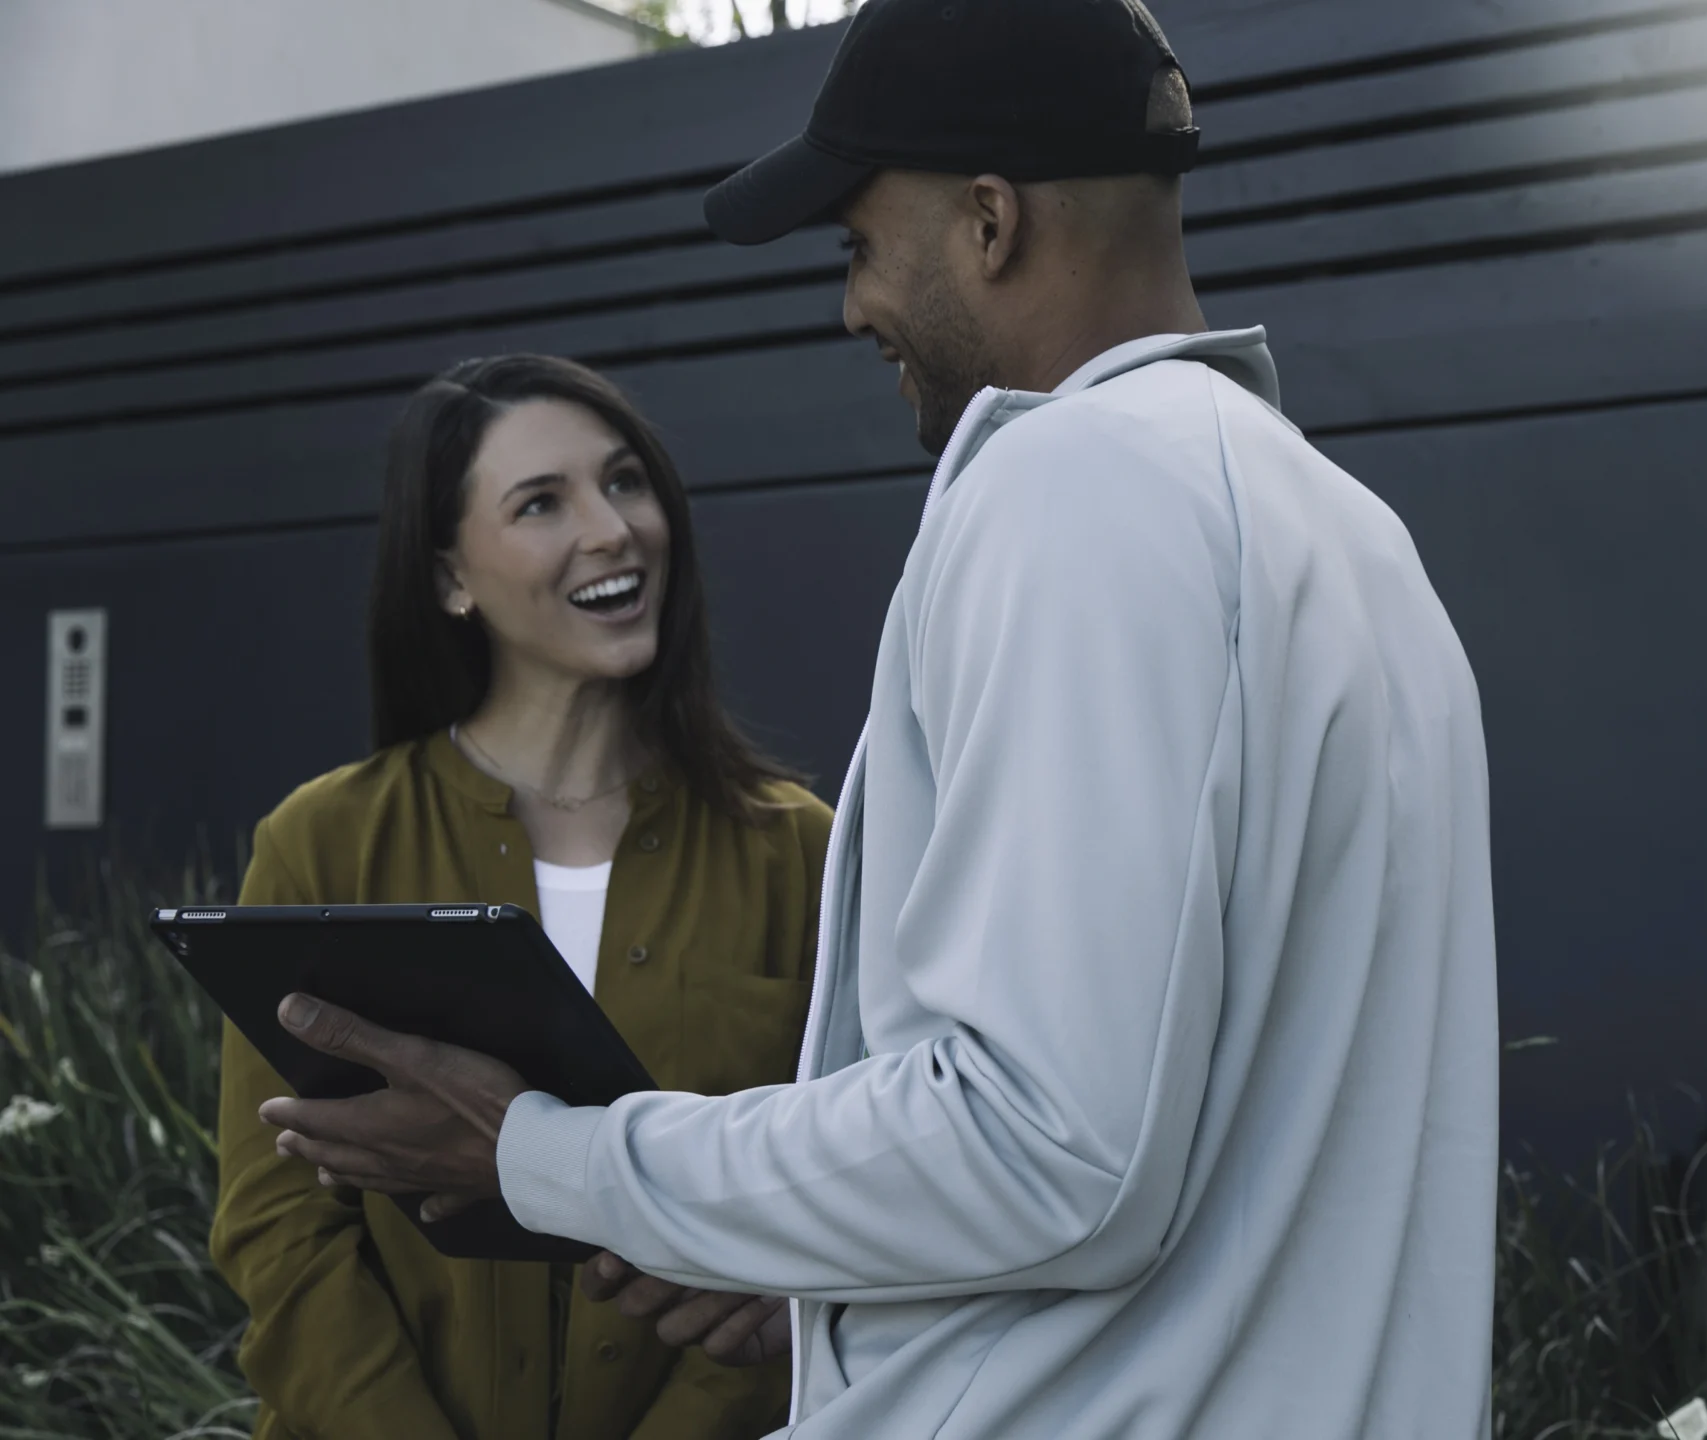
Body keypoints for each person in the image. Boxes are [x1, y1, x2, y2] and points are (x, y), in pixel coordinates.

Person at [254, 1, 1501, 1436]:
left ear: (988, 221)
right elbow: (1198, 1145)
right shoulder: (1349, 537)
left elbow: (1047, 1147)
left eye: (858, 244)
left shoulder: (1069, 489)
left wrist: (545, 1157)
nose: (852, 306)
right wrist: (813, 1274)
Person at [210, 354, 833, 1440]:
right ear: (450, 574)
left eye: (626, 481)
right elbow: (277, 1230)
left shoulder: (802, 855)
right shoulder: (325, 843)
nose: (612, 529)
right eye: (542, 502)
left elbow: (821, 1219)